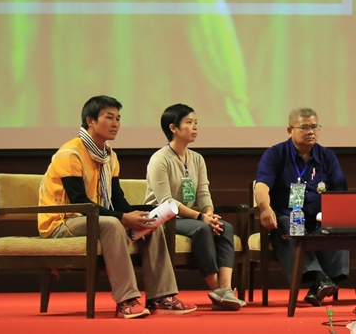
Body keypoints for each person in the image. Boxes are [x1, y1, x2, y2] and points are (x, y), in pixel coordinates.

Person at [38, 95, 196, 318]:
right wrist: (123, 218)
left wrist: (135, 216)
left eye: (118, 119)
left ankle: (162, 297)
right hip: (63, 222)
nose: (115, 124)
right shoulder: (70, 153)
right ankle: (127, 301)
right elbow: (80, 203)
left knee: (151, 223)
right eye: (109, 118)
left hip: (95, 218)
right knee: (112, 224)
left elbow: (117, 198)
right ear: (91, 121)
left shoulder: (109, 155)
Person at [145, 103, 246, 310]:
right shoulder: (159, 159)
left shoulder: (197, 159)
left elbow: (203, 193)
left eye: (196, 123)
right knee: (201, 229)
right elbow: (167, 202)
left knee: (225, 227)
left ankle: (225, 290)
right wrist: (201, 218)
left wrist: (209, 213)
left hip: (191, 217)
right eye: (189, 123)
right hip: (162, 217)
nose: (195, 127)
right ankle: (218, 290)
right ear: (173, 128)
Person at [254, 107, 349, 307]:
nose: (311, 132)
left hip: (319, 218)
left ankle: (321, 283)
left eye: (315, 127)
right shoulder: (275, 154)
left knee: (340, 226)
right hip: (287, 217)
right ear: (290, 130)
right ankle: (320, 279)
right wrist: (264, 207)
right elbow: (261, 186)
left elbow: (340, 191)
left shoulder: (327, 157)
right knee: (286, 224)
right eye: (304, 127)